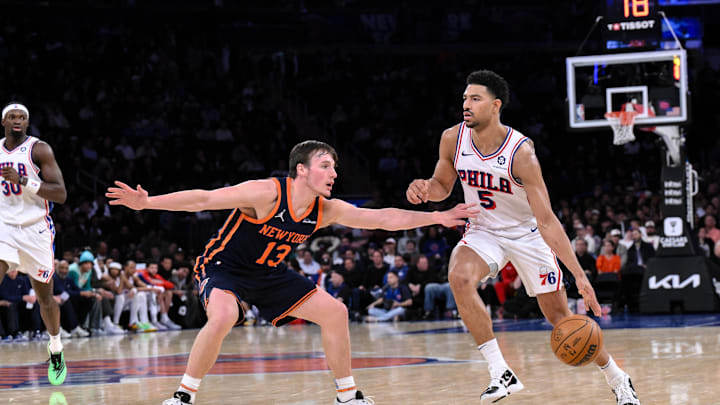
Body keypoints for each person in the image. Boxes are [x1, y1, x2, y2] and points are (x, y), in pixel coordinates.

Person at [106, 140, 477, 405]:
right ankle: (183, 396)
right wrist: (147, 203)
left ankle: (347, 396)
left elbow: (382, 218)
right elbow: (203, 198)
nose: (334, 172)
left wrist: (437, 216)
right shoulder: (266, 192)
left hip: (269, 273)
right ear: (302, 169)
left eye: (335, 166)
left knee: (336, 312)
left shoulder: (325, 209)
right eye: (325, 165)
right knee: (224, 316)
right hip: (225, 267)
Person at [405, 71, 640, 405]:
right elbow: (441, 186)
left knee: (562, 321)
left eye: (475, 99)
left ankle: (617, 377)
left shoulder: (521, 153)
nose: (466, 105)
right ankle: (500, 372)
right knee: (458, 277)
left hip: (527, 234)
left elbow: (546, 220)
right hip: (484, 230)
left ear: (495, 105)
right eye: (464, 98)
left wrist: (580, 275)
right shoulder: (451, 139)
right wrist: (425, 188)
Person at [0, 102, 68, 385]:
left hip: (35, 229)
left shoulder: (39, 149)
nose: (18, 120)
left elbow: (61, 194)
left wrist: (24, 180)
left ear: (27, 123)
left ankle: (55, 346)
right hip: (4, 226)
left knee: (45, 299)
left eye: (22, 117)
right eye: (12, 116)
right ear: (4, 121)